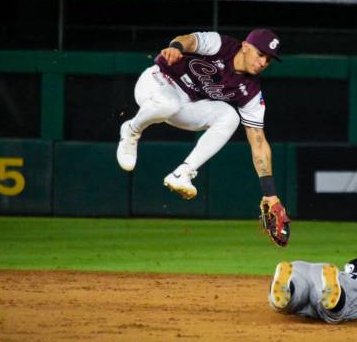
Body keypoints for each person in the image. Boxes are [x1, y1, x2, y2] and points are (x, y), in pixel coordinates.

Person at [116, 28, 289, 224]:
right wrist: (176, 47)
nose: (263, 62)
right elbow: (188, 40)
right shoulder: (222, 45)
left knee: (230, 116)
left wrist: (270, 193)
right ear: (246, 46)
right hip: (157, 81)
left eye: (268, 59)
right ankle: (131, 130)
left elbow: (258, 142)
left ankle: (183, 173)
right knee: (168, 104)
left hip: (185, 104)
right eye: (260, 54)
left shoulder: (250, 91)